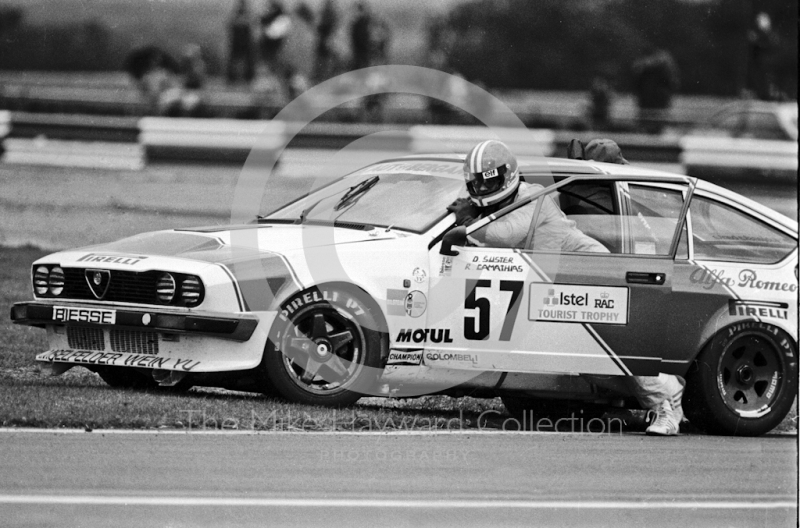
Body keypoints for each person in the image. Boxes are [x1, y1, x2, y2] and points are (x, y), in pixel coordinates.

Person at [448, 139, 684, 435]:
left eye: (488, 182)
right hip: (552, 284)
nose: (481, 190)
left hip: (591, 272)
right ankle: (656, 392)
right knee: (585, 361)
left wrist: (467, 220)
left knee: (616, 350)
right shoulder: (488, 200)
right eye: (476, 184)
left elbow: (504, 234)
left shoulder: (533, 197)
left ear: (507, 176)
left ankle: (667, 406)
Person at [227, 0, 255, 84]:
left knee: (248, 60)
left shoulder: (246, 14)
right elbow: (231, 25)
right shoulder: (236, 14)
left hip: (245, 41)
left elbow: (250, 26)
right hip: (237, 41)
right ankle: (232, 78)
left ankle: (248, 78)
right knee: (234, 61)